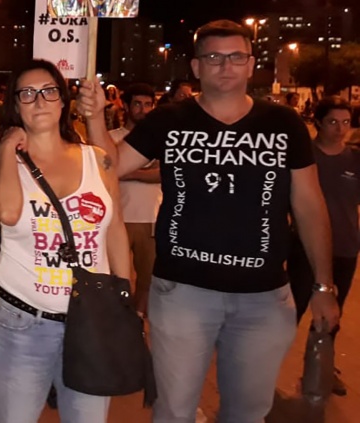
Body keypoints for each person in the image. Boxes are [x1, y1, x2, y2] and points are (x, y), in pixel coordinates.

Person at [77, 19, 340, 423]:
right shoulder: (169, 119)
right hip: (183, 292)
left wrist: (323, 285)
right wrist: (95, 117)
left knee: (247, 412)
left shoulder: (284, 124)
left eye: (235, 56)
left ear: (251, 64)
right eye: (214, 57)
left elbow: (309, 205)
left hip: (262, 297)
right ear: (197, 67)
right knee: (174, 410)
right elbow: (107, 168)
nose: (225, 66)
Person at [0, 59, 129, 423]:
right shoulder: (2, 166)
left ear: (63, 100)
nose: (39, 101)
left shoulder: (98, 161)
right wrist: (7, 148)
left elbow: (114, 228)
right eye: (27, 94)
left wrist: (122, 296)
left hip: (88, 320)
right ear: (15, 105)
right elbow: (5, 213)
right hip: (22, 322)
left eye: (48, 91)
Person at [287, 96, 359, 396]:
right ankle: (260, 368)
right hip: (305, 246)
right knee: (292, 308)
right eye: (332, 122)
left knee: (331, 315)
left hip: (345, 246)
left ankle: (321, 371)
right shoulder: (305, 156)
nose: (340, 129)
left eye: (345, 122)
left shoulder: (355, 159)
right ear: (317, 122)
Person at [109, 83, 160, 316]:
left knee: (148, 279)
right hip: (117, 218)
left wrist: (126, 171)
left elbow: (164, 174)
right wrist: (146, 172)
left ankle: (138, 320)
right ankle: (117, 321)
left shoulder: (161, 140)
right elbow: (104, 172)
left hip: (151, 218)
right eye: (137, 104)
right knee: (115, 278)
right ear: (126, 107)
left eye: (148, 104)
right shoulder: (111, 139)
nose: (143, 109)